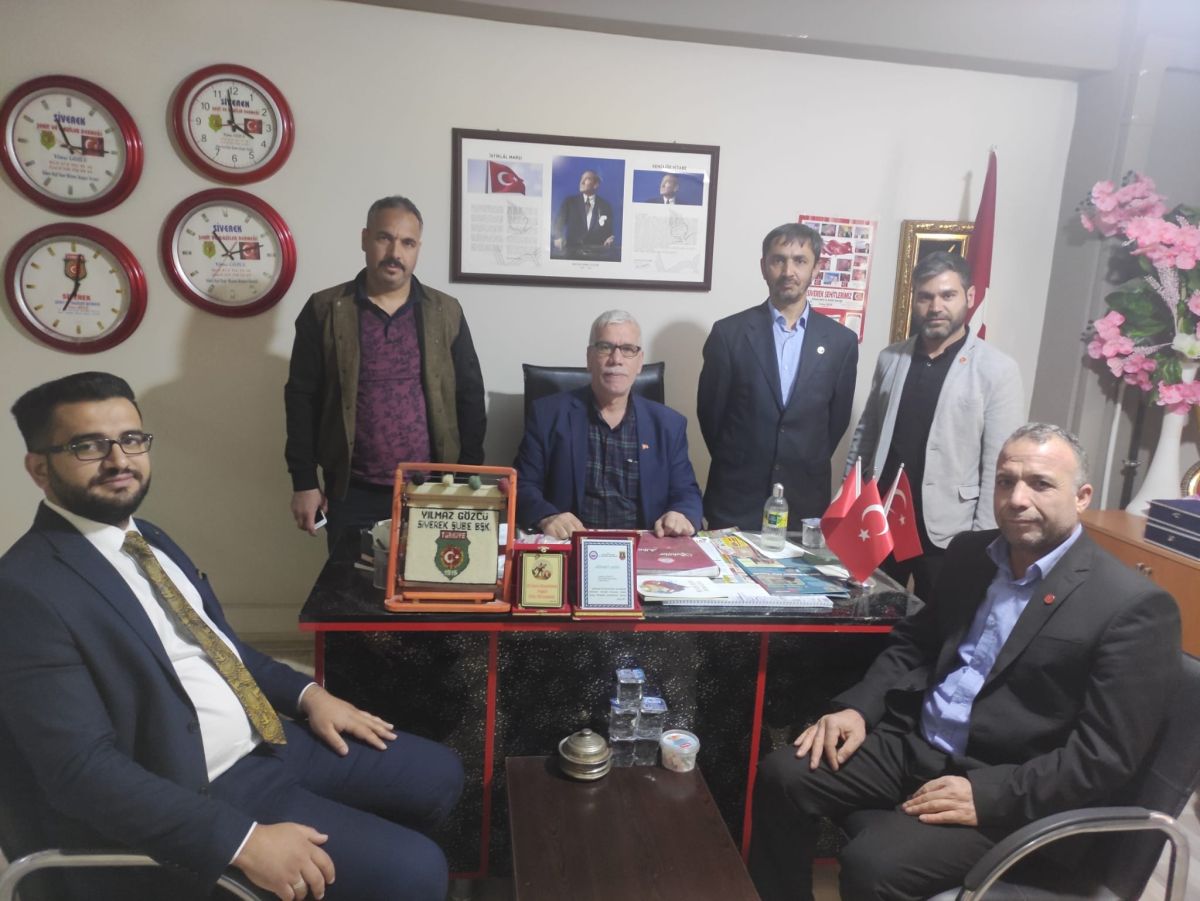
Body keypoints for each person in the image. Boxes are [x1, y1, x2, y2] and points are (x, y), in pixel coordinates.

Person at [0, 372, 464, 901]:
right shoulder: (26, 591)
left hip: (267, 738)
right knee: (417, 870)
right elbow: (80, 773)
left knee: (439, 775)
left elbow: (223, 650)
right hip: (201, 787)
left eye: (131, 439)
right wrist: (241, 842)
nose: (118, 460)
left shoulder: (147, 538)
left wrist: (311, 695)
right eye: (88, 446)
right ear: (39, 468)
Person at [748, 423, 1181, 901]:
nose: (1017, 499)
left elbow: (1104, 757)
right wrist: (859, 708)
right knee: (783, 776)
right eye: (1005, 481)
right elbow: (916, 643)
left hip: (1007, 780)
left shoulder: (1130, 605)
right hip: (916, 742)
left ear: (1081, 497)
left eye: (1040, 484)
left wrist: (989, 794)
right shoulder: (971, 554)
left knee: (872, 866)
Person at [284, 195, 486, 550]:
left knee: (433, 580)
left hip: (433, 491)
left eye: (407, 243)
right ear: (365, 239)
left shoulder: (445, 311)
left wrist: (467, 479)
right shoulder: (325, 310)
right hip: (353, 493)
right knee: (352, 583)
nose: (395, 252)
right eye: (384, 238)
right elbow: (301, 398)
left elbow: (469, 396)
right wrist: (304, 481)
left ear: (418, 249)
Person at [844, 251, 1024, 599]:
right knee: (867, 613)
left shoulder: (998, 370)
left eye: (947, 295)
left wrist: (982, 540)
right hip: (880, 520)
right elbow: (865, 436)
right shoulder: (890, 358)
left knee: (941, 622)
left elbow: (1001, 466)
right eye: (925, 297)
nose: (935, 307)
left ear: (969, 297)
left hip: (949, 531)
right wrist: (849, 499)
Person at [698, 222, 859, 530]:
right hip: (736, 497)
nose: (788, 271)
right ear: (763, 267)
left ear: (816, 268)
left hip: (804, 500)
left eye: (800, 260)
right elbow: (711, 416)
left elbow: (835, 422)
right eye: (778, 260)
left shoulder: (841, 342)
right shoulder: (728, 334)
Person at [514, 310, 703, 539]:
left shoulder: (668, 425)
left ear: (639, 362)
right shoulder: (547, 415)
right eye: (605, 347)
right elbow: (522, 485)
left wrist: (681, 514)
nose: (616, 359)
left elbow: (687, 492)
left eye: (628, 349)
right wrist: (547, 516)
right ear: (589, 358)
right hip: (571, 543)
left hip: (642, 547)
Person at [552, 169, 615, 258]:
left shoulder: (605, 206)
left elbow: (609, 233)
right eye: (581, 179)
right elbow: (557, 225)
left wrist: (610, 239)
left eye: (587, 179)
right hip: (572, 255)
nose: (581, 182)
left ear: (596, 184)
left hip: (597, 256)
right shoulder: (569, 202)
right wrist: (558, 237)